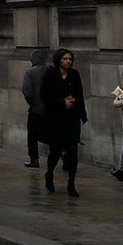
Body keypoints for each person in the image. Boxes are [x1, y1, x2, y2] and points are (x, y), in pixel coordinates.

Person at [39, 48, 88, 196]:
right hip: (55, 118)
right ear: (59, 60)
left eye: (70, 59)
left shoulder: (74, 74)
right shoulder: (50, 74)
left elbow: (80, 94)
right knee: (55, 151)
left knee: (73, 152)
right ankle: (49, 173)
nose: (68, 61)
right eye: (65, 59)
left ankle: (71, 184)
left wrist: (81, 113)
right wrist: (62, 103)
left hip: (71, 118)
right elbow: (44, 96)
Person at [21, 49, 47, 169]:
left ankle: (34, 159)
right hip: (50, 108)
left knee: (32, 135)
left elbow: (28, 92)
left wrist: (32, 103)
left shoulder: (30, 72)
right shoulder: (50, 70)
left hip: (36, 108)